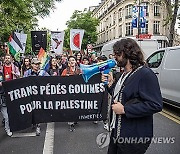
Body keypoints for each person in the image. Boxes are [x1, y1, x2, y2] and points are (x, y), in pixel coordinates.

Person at [102, 38, 163, 154]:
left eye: (117, 54)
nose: (114, 57)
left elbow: (156, 105)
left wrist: (125, 110)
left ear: (127, 53)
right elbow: (122, 96)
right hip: (117, 132)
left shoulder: (145, 74)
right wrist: (110, 86)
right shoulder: (123, 74)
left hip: (133, 137)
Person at [24, 58, 49, 136]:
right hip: (30, 95)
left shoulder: (43, 73)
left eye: (38, 64)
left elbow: (50, 80)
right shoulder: (27, 73)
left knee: (38, 110)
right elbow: (23, 82)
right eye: (35, 64)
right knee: (31, 110)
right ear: (32, 65)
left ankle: (38, 125)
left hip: (39, 95)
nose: (37, 66)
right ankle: (33, 122)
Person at [0, 54, 20, 136]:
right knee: (5, 114)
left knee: (12, 110)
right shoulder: (1, 69)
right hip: (2, 92)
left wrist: (14, 73)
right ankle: (7, 127)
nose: (7, 59)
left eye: (9, 58)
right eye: (6, 58)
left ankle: (11, 126)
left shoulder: (15, 67)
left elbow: (19, 76)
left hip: (12, 91)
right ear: (4, 59)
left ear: (11, 59)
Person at [61, 56, 81, 131]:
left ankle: (75, 119)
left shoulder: (80, 70)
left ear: (76, 61)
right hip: (69, 92)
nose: (72, 61)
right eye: (70, 60)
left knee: (77, 106)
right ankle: (71, 123)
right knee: (70, 107)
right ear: (68, 62)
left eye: (73, 60)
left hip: (78, 92)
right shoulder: (65, 71)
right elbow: (60, 81)